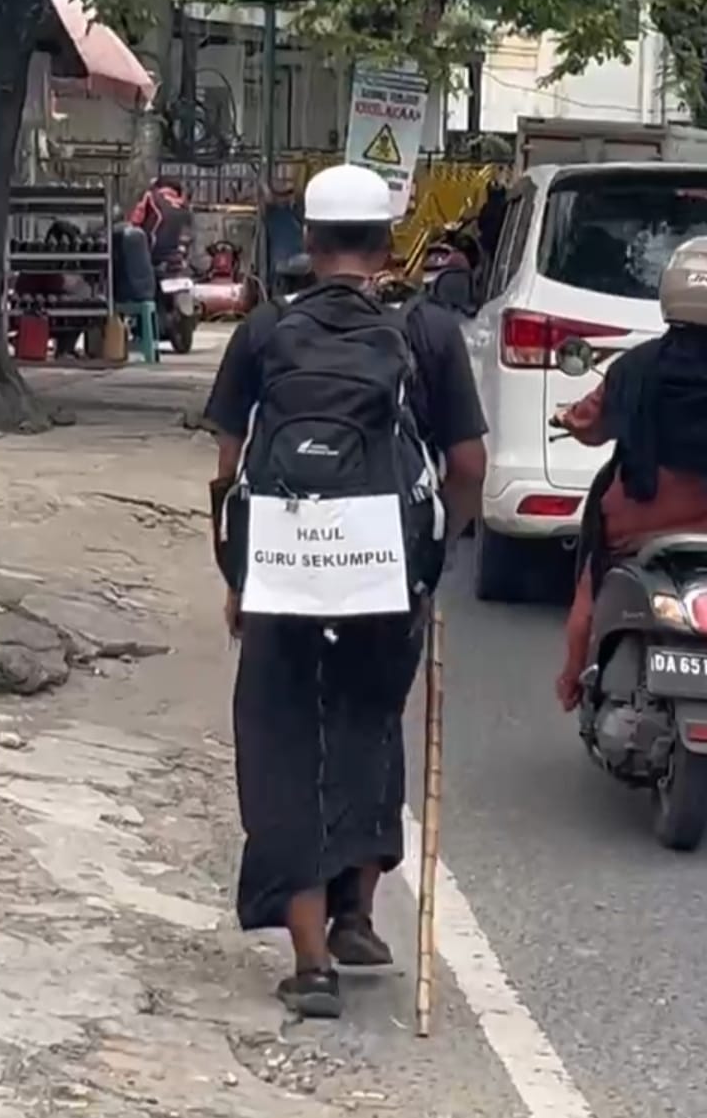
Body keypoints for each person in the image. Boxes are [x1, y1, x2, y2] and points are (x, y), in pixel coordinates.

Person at [203, 163, 486, 1020]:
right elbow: (468, 464)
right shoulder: (427, 331)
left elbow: (227, 468)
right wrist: (433, 557)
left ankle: (313, 960)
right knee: (367, 726)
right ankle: (356, 911)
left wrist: (238, 575)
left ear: (309, 238)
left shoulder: (263, 330)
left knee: (283, 745)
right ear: (389, 242)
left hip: (282, 573)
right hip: (384, 575)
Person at [551, 236, 707, 712]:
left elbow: (592, 425)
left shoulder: (635, 366)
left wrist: (568, 419)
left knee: (591, 586)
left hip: (642, 522)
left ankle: (572, 682)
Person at [128, 176, 194, 264]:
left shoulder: (151, 196)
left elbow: (135, 221)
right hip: (178, 257)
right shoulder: (184, 208)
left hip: (152, 255)